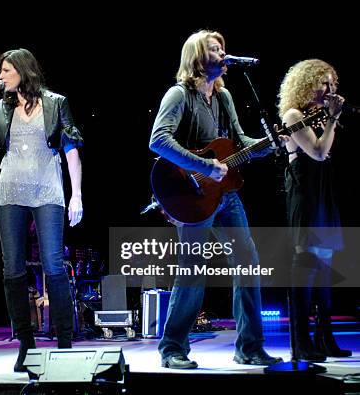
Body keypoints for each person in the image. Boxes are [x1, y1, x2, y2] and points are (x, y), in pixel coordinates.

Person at [149, 30, 283, 369]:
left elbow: (239, 142)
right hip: (190, 194)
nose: (223, 52)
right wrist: (203, 165)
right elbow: (158, 141)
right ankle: (172, 349)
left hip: (225, 195)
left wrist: (269, 142)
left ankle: (250, 347)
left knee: (249, 263)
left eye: (223, 47)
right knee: (193, 269)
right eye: (215, 48)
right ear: (196, 57)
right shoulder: (179, 95)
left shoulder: (224, 97)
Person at [0, 48, 83, 372]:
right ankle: (26, 344)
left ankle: (64, 344)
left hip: (47, 191)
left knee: (54, 266)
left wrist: (76, 195)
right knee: (13, 271)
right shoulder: (2, 108)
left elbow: (72, 149)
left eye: (6, 71)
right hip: (9, 193)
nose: (2, 76)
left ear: (23, 71)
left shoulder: (55, 103)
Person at [278, 59, 351, 361]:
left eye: (333, 84)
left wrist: (331, 118)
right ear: (307, 83)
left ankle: (324, 336)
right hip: (305, 190)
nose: (330, 89)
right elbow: (319, 152)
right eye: (324, 83)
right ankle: (301, 341)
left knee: (324, 270)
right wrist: (333, 119)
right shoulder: (293, 114)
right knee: (306, 266)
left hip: (324, 190)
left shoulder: (320, 115)